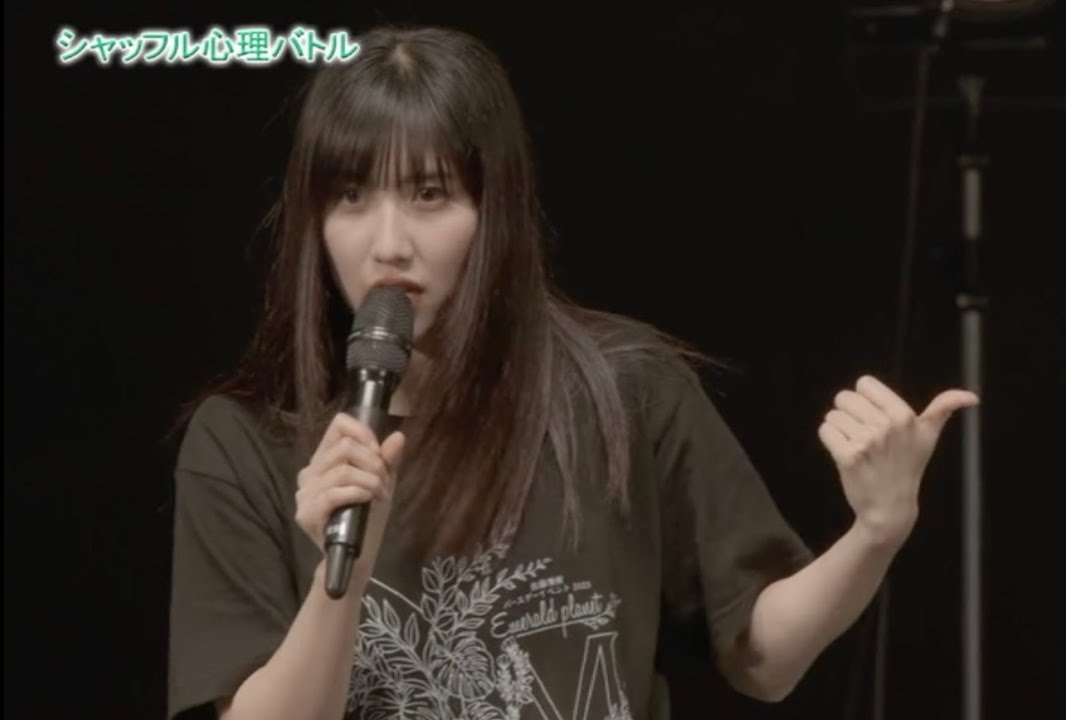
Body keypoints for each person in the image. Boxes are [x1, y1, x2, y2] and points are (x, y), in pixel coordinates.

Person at [166, 24, 978, 720]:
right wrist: (341, 577)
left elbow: (764, 656)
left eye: (429, 194)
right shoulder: (246, 441)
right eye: (350, 197)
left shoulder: (622, 390)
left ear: (494, 209)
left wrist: (875, 533)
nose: (388, 244)